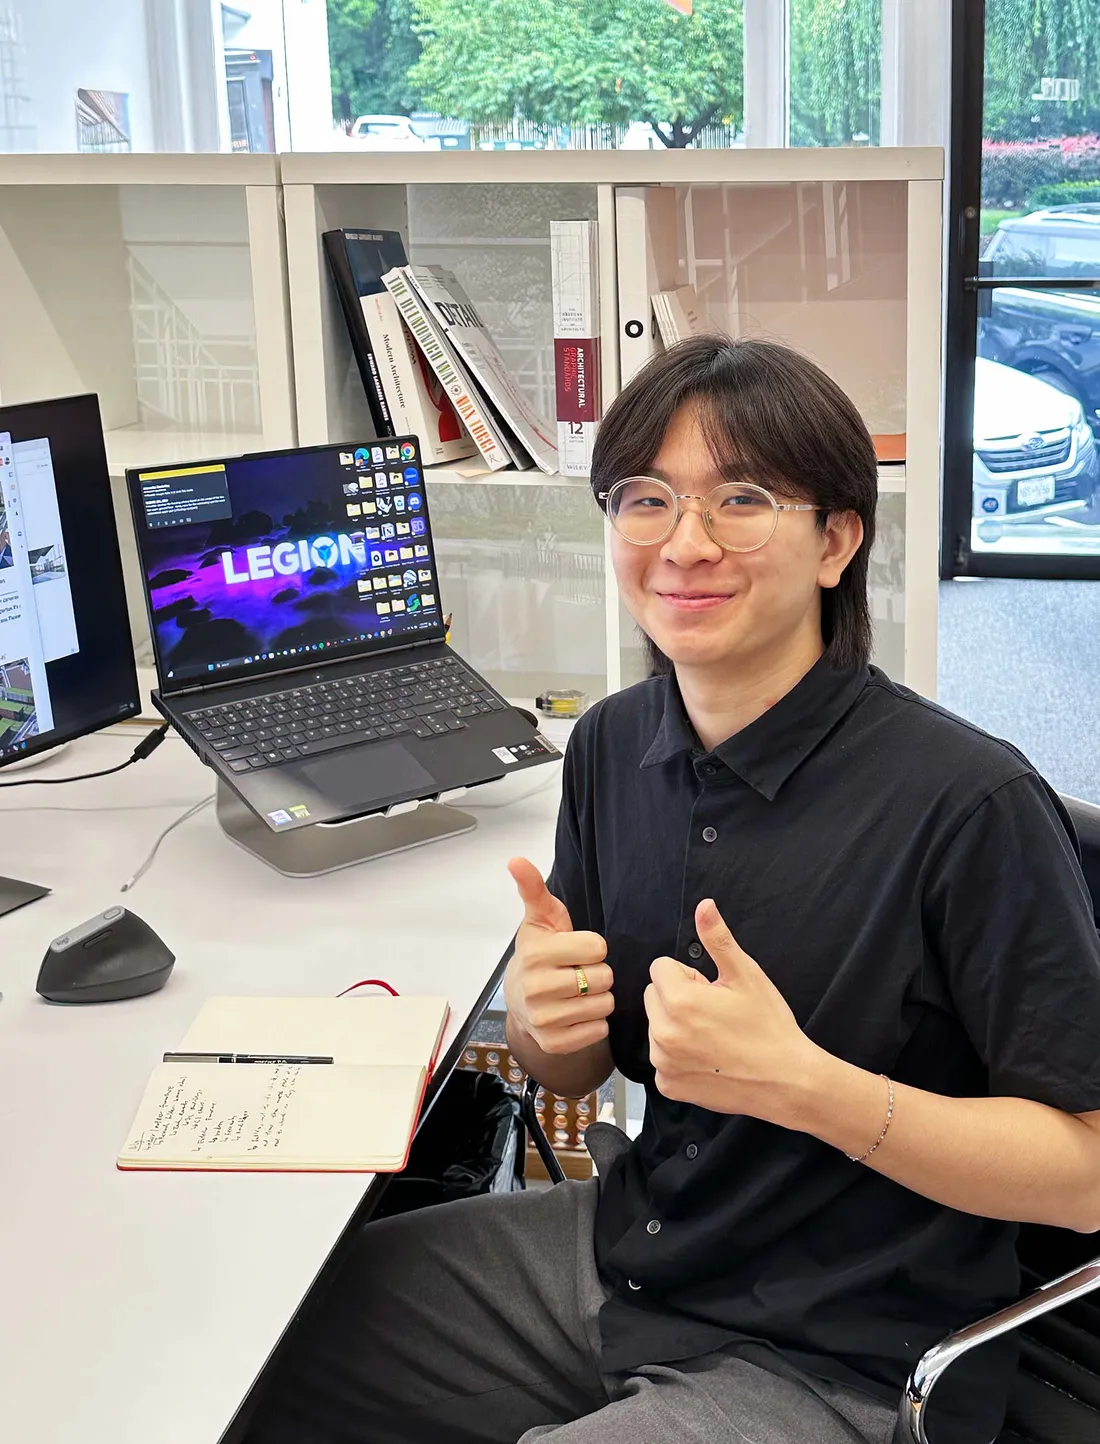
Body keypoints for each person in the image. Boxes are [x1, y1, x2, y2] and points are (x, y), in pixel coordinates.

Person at [248, 338, 1100, 1444]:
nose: (682, 543)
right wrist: (554, 1032)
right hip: (639, 1248)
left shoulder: (965, 805)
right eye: (644, 498)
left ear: (835, 539)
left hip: (838, 1348)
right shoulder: (609, 745)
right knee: (264, 1346)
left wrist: (805, 1085)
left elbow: (1085, 1178)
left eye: (740, 498)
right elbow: (579, 1067)